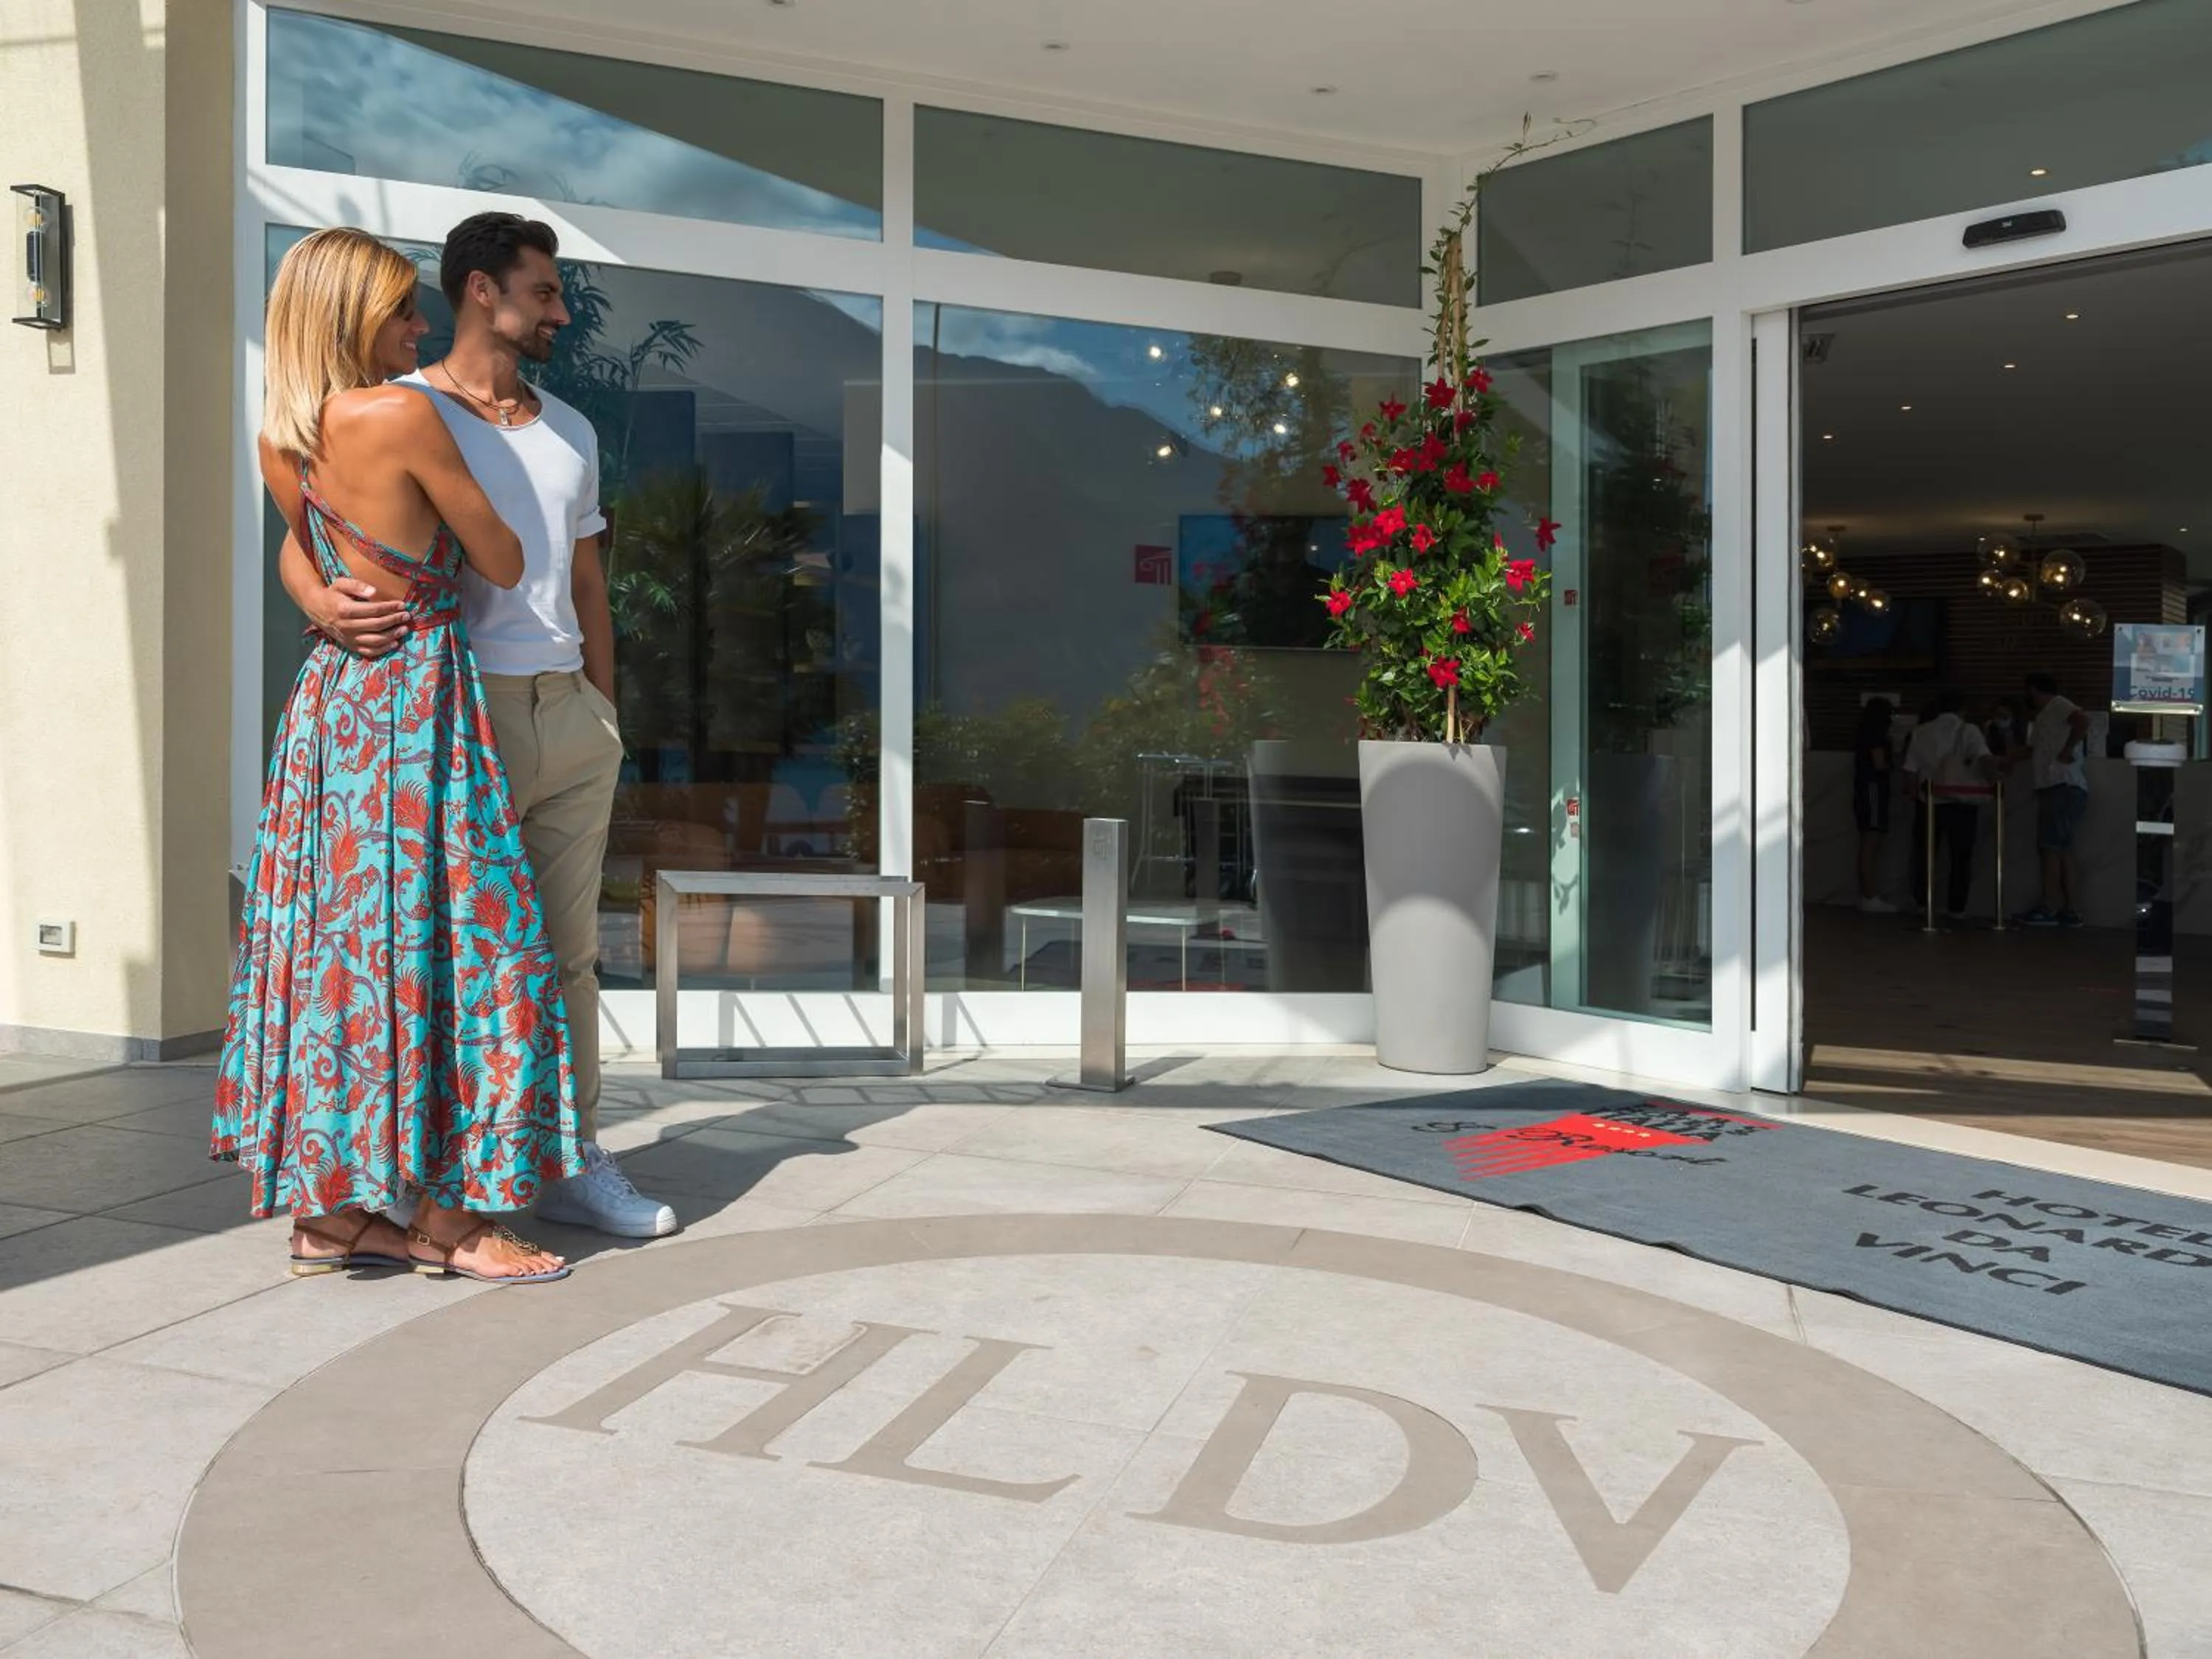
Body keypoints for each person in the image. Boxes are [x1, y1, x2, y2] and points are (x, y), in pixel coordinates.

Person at [279, 212, 676, 1238]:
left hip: (566, 710)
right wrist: (318, 602)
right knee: (456, 958)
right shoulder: (390, 406)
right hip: (455, 712)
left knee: (570, 955)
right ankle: (438, 1176)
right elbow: (306, 534)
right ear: (480, 291)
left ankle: (573, 1151)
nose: (561, 310)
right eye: (543, 291)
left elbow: (588, 575)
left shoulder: (572, 430)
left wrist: (604, 706)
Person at [215, 227, 579, 1284]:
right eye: (397, 309)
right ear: (348, 317)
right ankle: (450, 1222)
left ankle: (333, 1218)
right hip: (417, 697)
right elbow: (503, 558)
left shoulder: (280, 432)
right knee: (485, 953)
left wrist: (320, 592)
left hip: (332, 704)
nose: (417, 326)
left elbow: (308, 543)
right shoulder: (405, 410)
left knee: (345, 955)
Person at [1901, 689, 1994, 922]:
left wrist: (1913, 794)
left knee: (1925, 854)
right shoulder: (1969, 730)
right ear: (1962, 709)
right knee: (1961, 856)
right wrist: (1994, 784)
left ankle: (1923, 904)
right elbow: (1984, 759)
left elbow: (1910, 769)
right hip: (1963, 802)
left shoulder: (1920, 731)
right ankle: (1957, 908)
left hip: (1929, 801)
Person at [2011, 671, 2090, 928]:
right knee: (2062, 849)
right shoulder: (2044, 717)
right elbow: (2032, 750)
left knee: (2050, 849)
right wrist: (2005, 760)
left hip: (2060, 786)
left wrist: (2067, 750)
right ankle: (2072, 909)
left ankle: (2050, 907)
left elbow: (2083, 720)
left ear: (2033, 689)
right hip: (2060, 787)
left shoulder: (2057, 704)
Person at [1850, 698, 1897, 914]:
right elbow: (1880, 764)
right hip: (1874, 789)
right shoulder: (1877, 736)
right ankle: (1869, 895)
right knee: (1871, 842)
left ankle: (1865, 894)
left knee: (1865, 843)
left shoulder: (1862, 733)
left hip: (1862, 789)